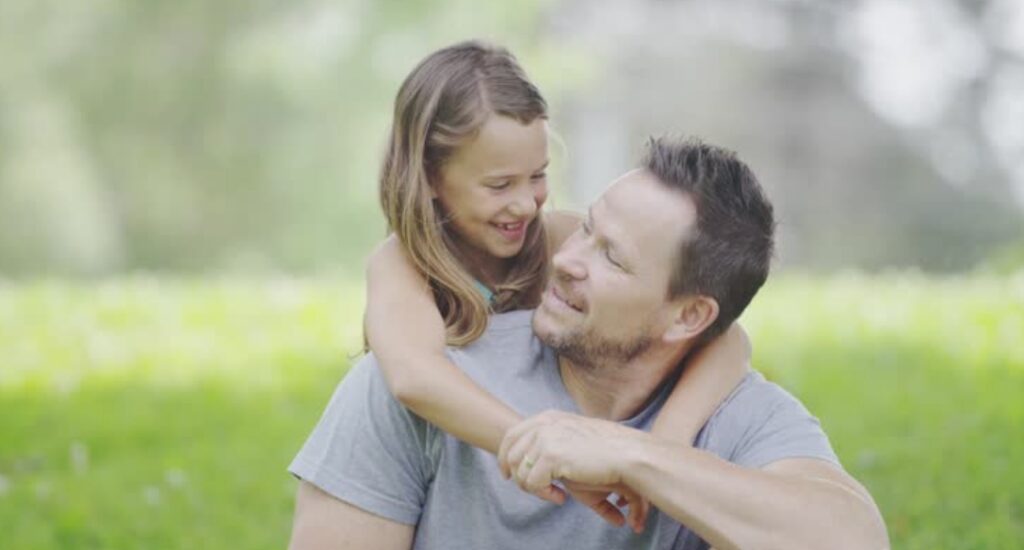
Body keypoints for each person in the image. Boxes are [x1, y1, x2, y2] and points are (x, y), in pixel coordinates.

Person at [287, 137, 889, 549]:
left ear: (689, 317)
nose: (567, 259)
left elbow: (852, 539)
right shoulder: (432, 385)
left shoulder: (738, 419)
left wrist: (633, 456)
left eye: (613, 259)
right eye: (587, 230)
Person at [363, 40, 751, 520]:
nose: (526, 203)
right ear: (429, 178)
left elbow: (726, 338)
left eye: (538, 176)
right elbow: (413, 377)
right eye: (499, 185)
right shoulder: (402, 265)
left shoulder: (564, 242)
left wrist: (660, 448)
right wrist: (544, 453)